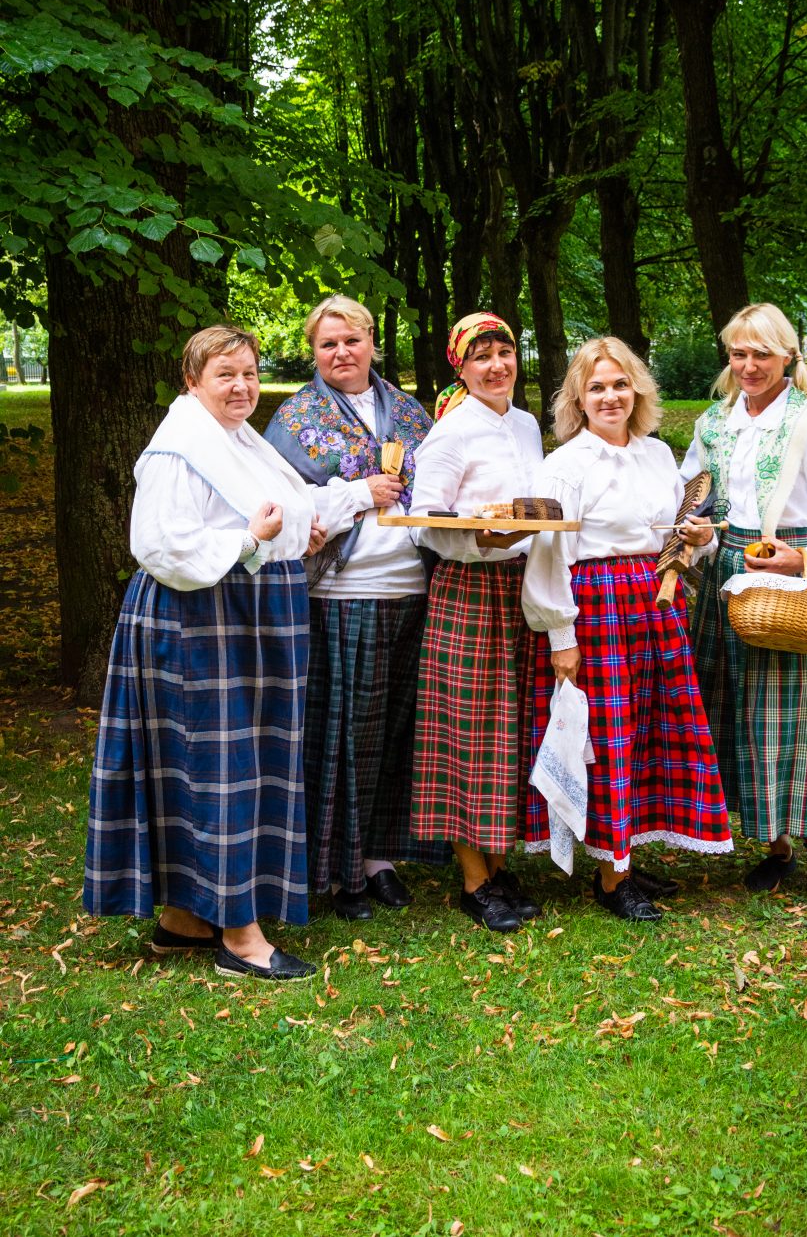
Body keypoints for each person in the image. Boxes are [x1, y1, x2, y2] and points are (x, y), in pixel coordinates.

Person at [83, 325, 362, 983]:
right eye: (225, 375)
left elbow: (273, 512)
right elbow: (162, 546)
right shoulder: (179, 451)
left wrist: (299, 529)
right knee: (219, 767)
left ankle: (185, 919)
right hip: (199, 623)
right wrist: (248, 539)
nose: (241, 387)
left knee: (231, 765)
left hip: (242, 619)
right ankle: (240, 937)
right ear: (193, 382)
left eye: (249, 373)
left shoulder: (236, 440)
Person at [521, 338, 733, 921]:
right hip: (596, 607)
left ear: (635, 389)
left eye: (619, 384)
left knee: (648, 730)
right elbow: (547, 554)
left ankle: (628, 857)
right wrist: (561, 636)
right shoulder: (564, 464)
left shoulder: (658, 455)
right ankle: (613, 877)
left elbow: (678, 534)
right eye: (597, 387)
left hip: (655, 601)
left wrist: (700, 539)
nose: (610, 396)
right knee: (609, 738)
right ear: (578, 400)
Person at [681, 303, 807, 899]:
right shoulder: (715, 422)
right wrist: (699, 532)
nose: (747, 365)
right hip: (726, 581)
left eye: (760, 354)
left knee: (790, 719)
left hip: (787, 581)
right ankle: (775, 843)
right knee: (743, 718)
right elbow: (696, 495)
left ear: (787, 355)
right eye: (738, 354)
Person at [265, 294, 449, 920]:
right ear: (314, 352)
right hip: (344, 591)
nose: (341, 353)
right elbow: (278, 510)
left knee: (401, 731)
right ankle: (340, 869)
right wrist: (356, 491)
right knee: (346, 733)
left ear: (373, 341)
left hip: (414, 586)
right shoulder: (295, 418)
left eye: (351, 340)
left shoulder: (409, 411)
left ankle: (382, 859)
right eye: (327, 344)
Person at [409, 312, 544, 933]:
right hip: (468, 589)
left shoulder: (525, 423)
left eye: (504, 353)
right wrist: (479, 536)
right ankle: (472, 880)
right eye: (481, 356)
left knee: (510, 729)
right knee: (467, 730)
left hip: (521, 587)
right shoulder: (450, 432)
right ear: (460, 367)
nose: (496, 366)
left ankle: (497, 863)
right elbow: (421, 520)